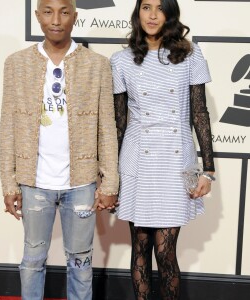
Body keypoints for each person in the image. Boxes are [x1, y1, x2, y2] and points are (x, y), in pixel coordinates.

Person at [0, 0, 119, 299]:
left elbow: (107, 127)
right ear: (37, 16)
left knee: (81, 262)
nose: (56, 20)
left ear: (75, 17)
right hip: (33, 181)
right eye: (48, 11)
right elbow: (7, 127)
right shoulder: (16, 63)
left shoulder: (97, 64)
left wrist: (110, 183)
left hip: (81, 182)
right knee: (32, 261)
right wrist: (8, 182)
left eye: (64, 12)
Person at [111, 0, 215, 299]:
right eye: (146, 7)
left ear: (170, 13)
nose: (152, 14)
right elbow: (120, 123)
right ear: (137, 13)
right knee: (140, 246)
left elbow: (199, 114)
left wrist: (207, 170)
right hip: (137, 158)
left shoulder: (190, 55)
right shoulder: (121, 60)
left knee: (165, 250)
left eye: (159, 7)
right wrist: (109, 176)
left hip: (175, 159)